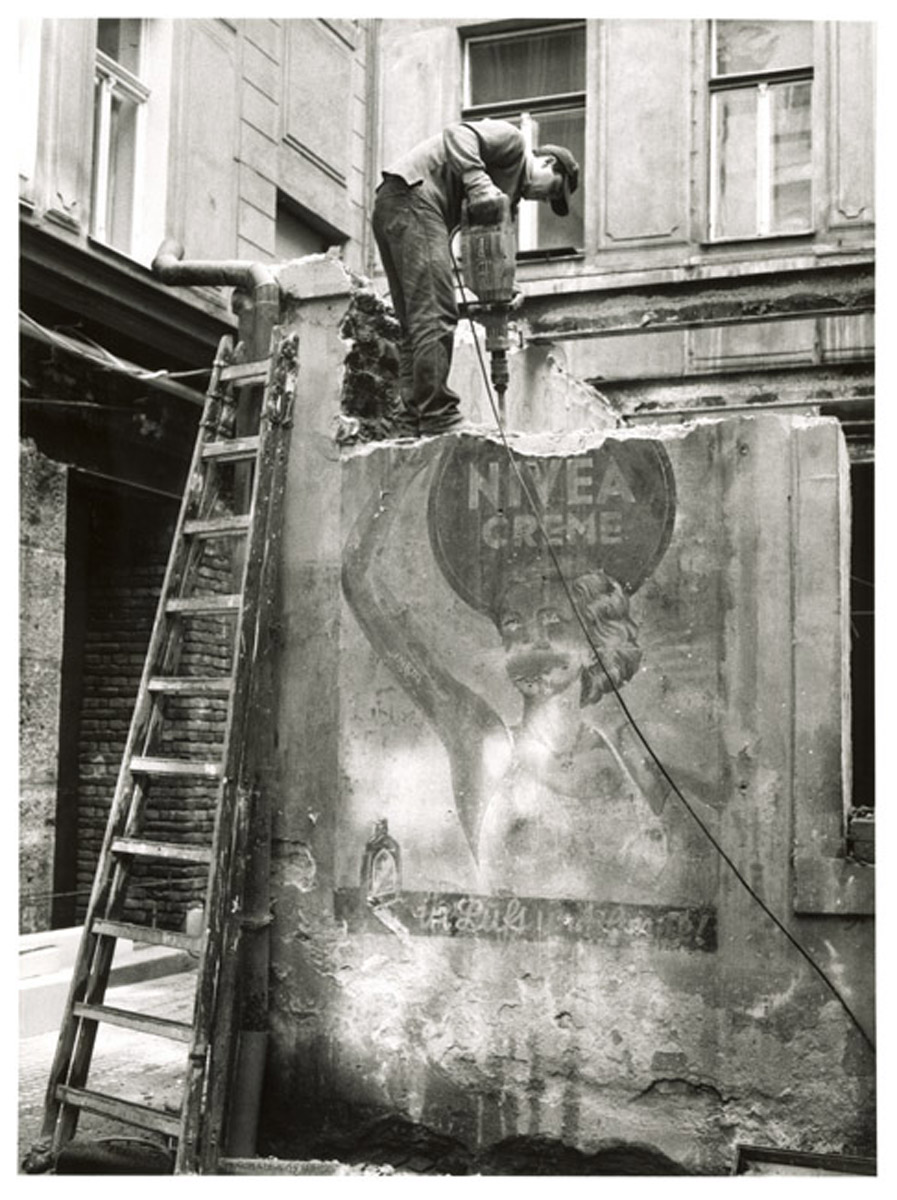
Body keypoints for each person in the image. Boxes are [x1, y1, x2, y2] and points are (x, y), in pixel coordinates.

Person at [372, 119, 580, 436]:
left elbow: (485, 253)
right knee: (436, 314)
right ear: (548, 162)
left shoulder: (507, 198)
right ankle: (437, 415)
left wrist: (505, 287)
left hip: (394, 204)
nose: (542, 198)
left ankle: (409, 420)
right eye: (551, 188)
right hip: (415, 198)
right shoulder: (513, 143)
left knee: (415, 322)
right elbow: (459, 133)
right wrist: (477, 181)